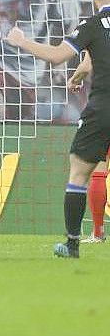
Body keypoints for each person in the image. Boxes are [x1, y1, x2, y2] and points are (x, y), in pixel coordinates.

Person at [3, 0, 110, 258]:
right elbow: (92, 60)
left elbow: (57, 56)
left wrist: (21, 41)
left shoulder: (92, 24)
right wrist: (79, 74)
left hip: (103, 109)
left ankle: (73, 244)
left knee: (80, 172)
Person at [67, 53, 108, 243]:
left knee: (98, 169)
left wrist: (74, 80)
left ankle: (98, 232)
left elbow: (86, 66)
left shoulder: (99, 30)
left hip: (104, 110)